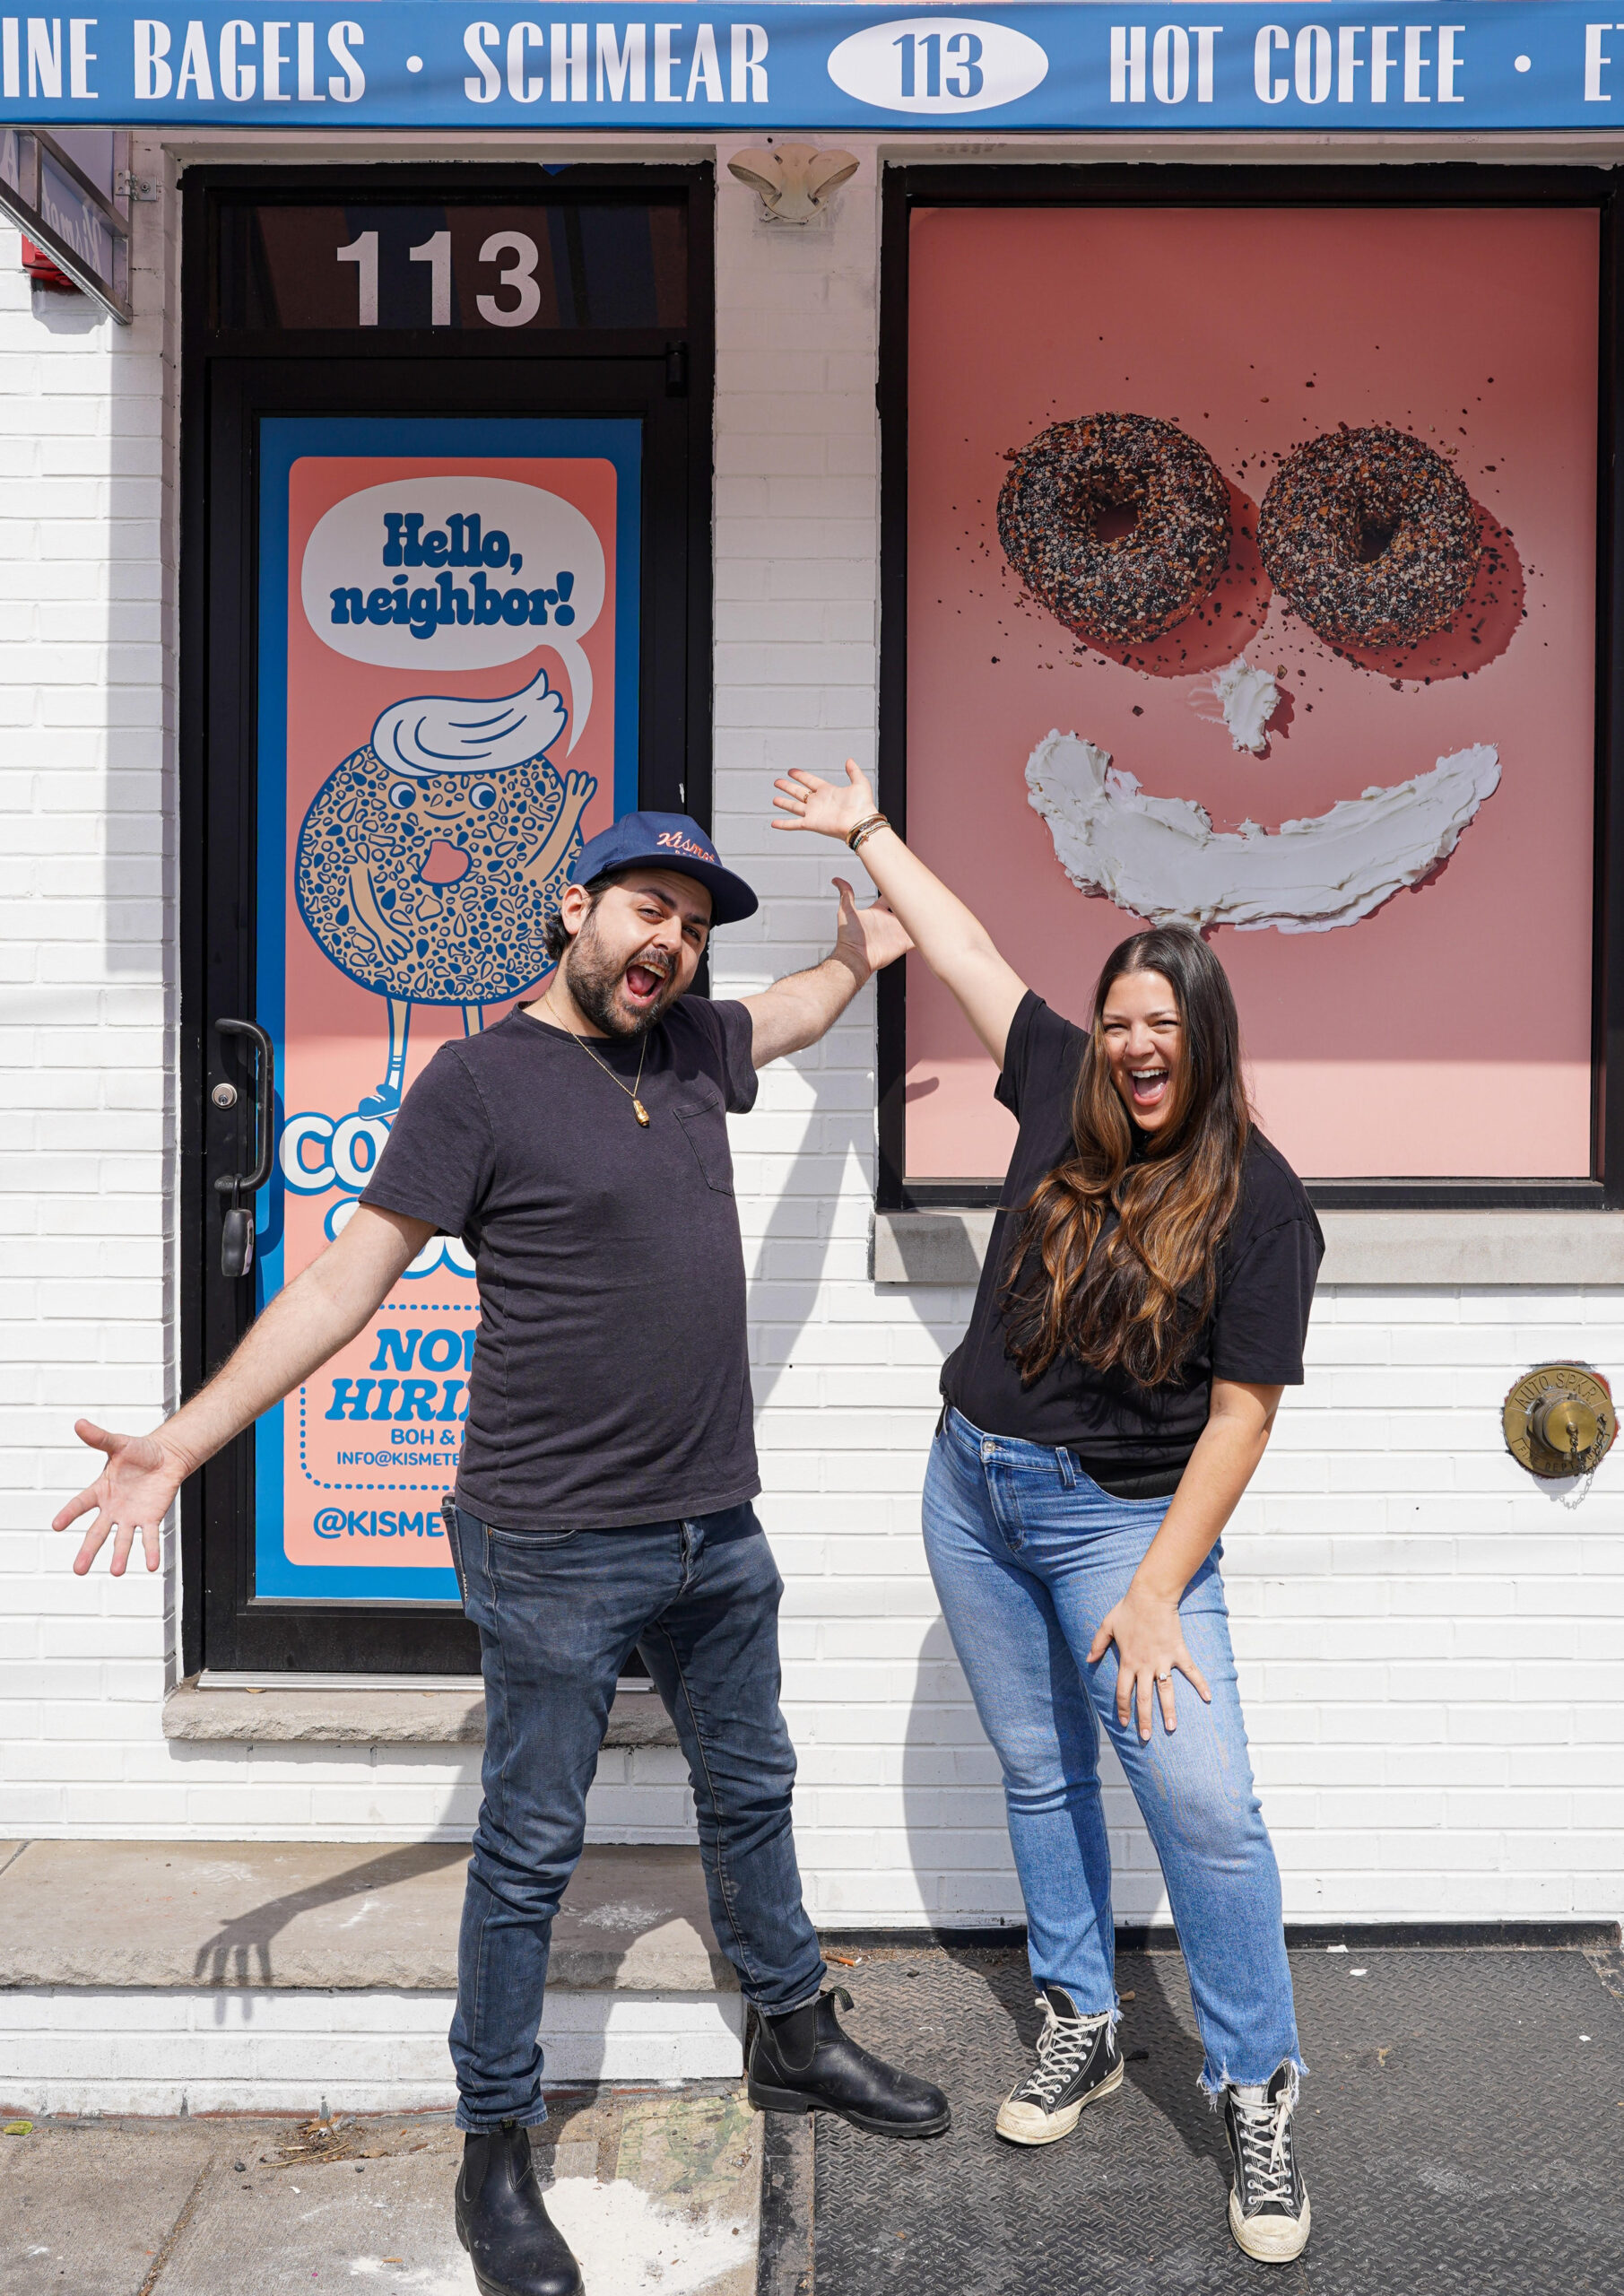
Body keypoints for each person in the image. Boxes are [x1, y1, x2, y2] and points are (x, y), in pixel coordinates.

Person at [55, 810, 951, 2296]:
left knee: (754, 1785)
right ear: (574, 906)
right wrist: (186, 1442)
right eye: (647, 909)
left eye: (694, 926)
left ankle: (793, 2035)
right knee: (530, 1848)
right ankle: (495, 2142)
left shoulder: (688, 1050)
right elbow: (344, 1285)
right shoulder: (477, 1083)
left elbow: (785, 1016)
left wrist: (854, 959)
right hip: (549, 1542)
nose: (670, 942)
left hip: (713, 1520)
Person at [773, 762, 1323, 2266]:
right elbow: (965, 955)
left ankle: (1255, 2085)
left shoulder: (1261, 1203)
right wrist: (874, 832)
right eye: (1124, 1018)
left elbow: (1243, 1417)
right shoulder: (1062, 1092)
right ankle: (1079, 2018)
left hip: (1119, 1533)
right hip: (975, 1486)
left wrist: (1154, 1592)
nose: (1138, 1045)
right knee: (1037, 1770)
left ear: (1205, 1042)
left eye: (1165, 1025)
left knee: (1205, 1810)